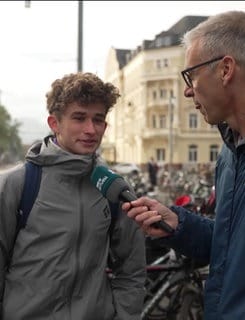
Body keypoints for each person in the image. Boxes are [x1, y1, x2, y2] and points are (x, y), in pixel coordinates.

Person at [122, 11, 245, 320]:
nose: (188, 91)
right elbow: (236, 245)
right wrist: (178, 224)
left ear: (226, 69)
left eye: (191, 76)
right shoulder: (232, 149)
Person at [0, 72, 146, 319]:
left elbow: (131, 270)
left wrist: (123, 315)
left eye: (98, 119)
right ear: (54, 123)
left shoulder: (115, 189)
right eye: (79, 118)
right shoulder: (17, 184)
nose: (90, 129)